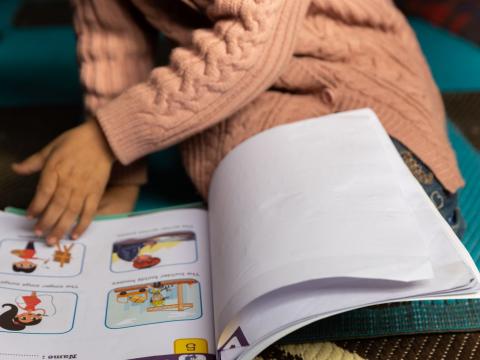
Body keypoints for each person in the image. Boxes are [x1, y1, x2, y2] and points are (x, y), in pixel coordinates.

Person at [12, 0, 464, 244]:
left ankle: (412, 217)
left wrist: (106, 136)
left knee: (389, 216)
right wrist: (121, 171)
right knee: (251, 212)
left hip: (349, 69)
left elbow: (251, 44)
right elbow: (112, 41)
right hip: (236, 94)